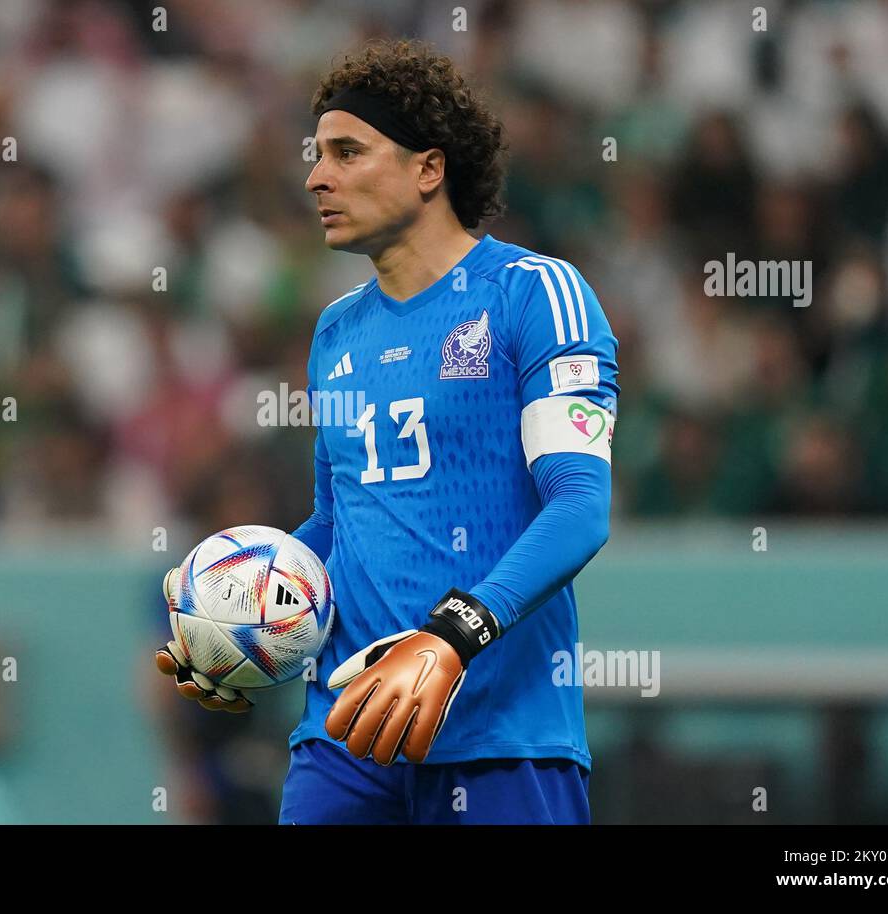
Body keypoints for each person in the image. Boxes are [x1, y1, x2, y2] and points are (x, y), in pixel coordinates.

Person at [156, 39, 618, 825]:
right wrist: (235, 608)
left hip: (501, 738)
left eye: (346, 152)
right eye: (315, 156)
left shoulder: (536, 294)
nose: (316, 178)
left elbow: (578, 506)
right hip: (345, 740)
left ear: (428, 169)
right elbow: (338, 527)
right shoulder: (335, 333)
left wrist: (450, 638)